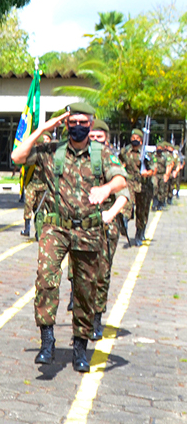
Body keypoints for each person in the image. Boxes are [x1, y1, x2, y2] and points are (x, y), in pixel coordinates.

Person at [11, 102, 128, 373]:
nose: (77, 127)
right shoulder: (53, 151)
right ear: (65, 124)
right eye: (72, 122)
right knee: (45, 279)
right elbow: (18, 156)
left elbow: (121, 180)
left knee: (86, 291)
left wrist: (106, 188)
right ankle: (47, 339)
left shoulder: (101, 153)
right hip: (56, 227)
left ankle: (79, 347)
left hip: (88, 229)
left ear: (90, 124)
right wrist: (42, 128)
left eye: (83, 123)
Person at [86, 120, 129, 339]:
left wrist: (109, 215)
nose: (94, 141)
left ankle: (95, 319)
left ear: (107, 139)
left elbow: (124, 194)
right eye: (91, 137)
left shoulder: (111, 160)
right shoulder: (80, 158)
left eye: (99, 138)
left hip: (104, 225)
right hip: (81, 225)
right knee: (80, 274)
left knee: (101, 274)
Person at [119, 128, 150, 246]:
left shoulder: (145, 153)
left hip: (143, 185)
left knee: (141, 212)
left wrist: (147, 172)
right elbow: (120, 161)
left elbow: (154, 169)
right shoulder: (125, 151)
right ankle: (124, 222)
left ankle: (139, 233)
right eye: (133, 138)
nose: (135, 140)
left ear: (141, 140)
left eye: (137, 138)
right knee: (127, 203)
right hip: (130, 182)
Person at [21, 132, 52, 239]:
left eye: (47, 139)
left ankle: (39, 231)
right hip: (32, 184)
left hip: (43, 186)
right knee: (28, 205)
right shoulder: (33, 153)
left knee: (40, 209)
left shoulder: (49, 154)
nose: (44, 141)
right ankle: (27, 229)